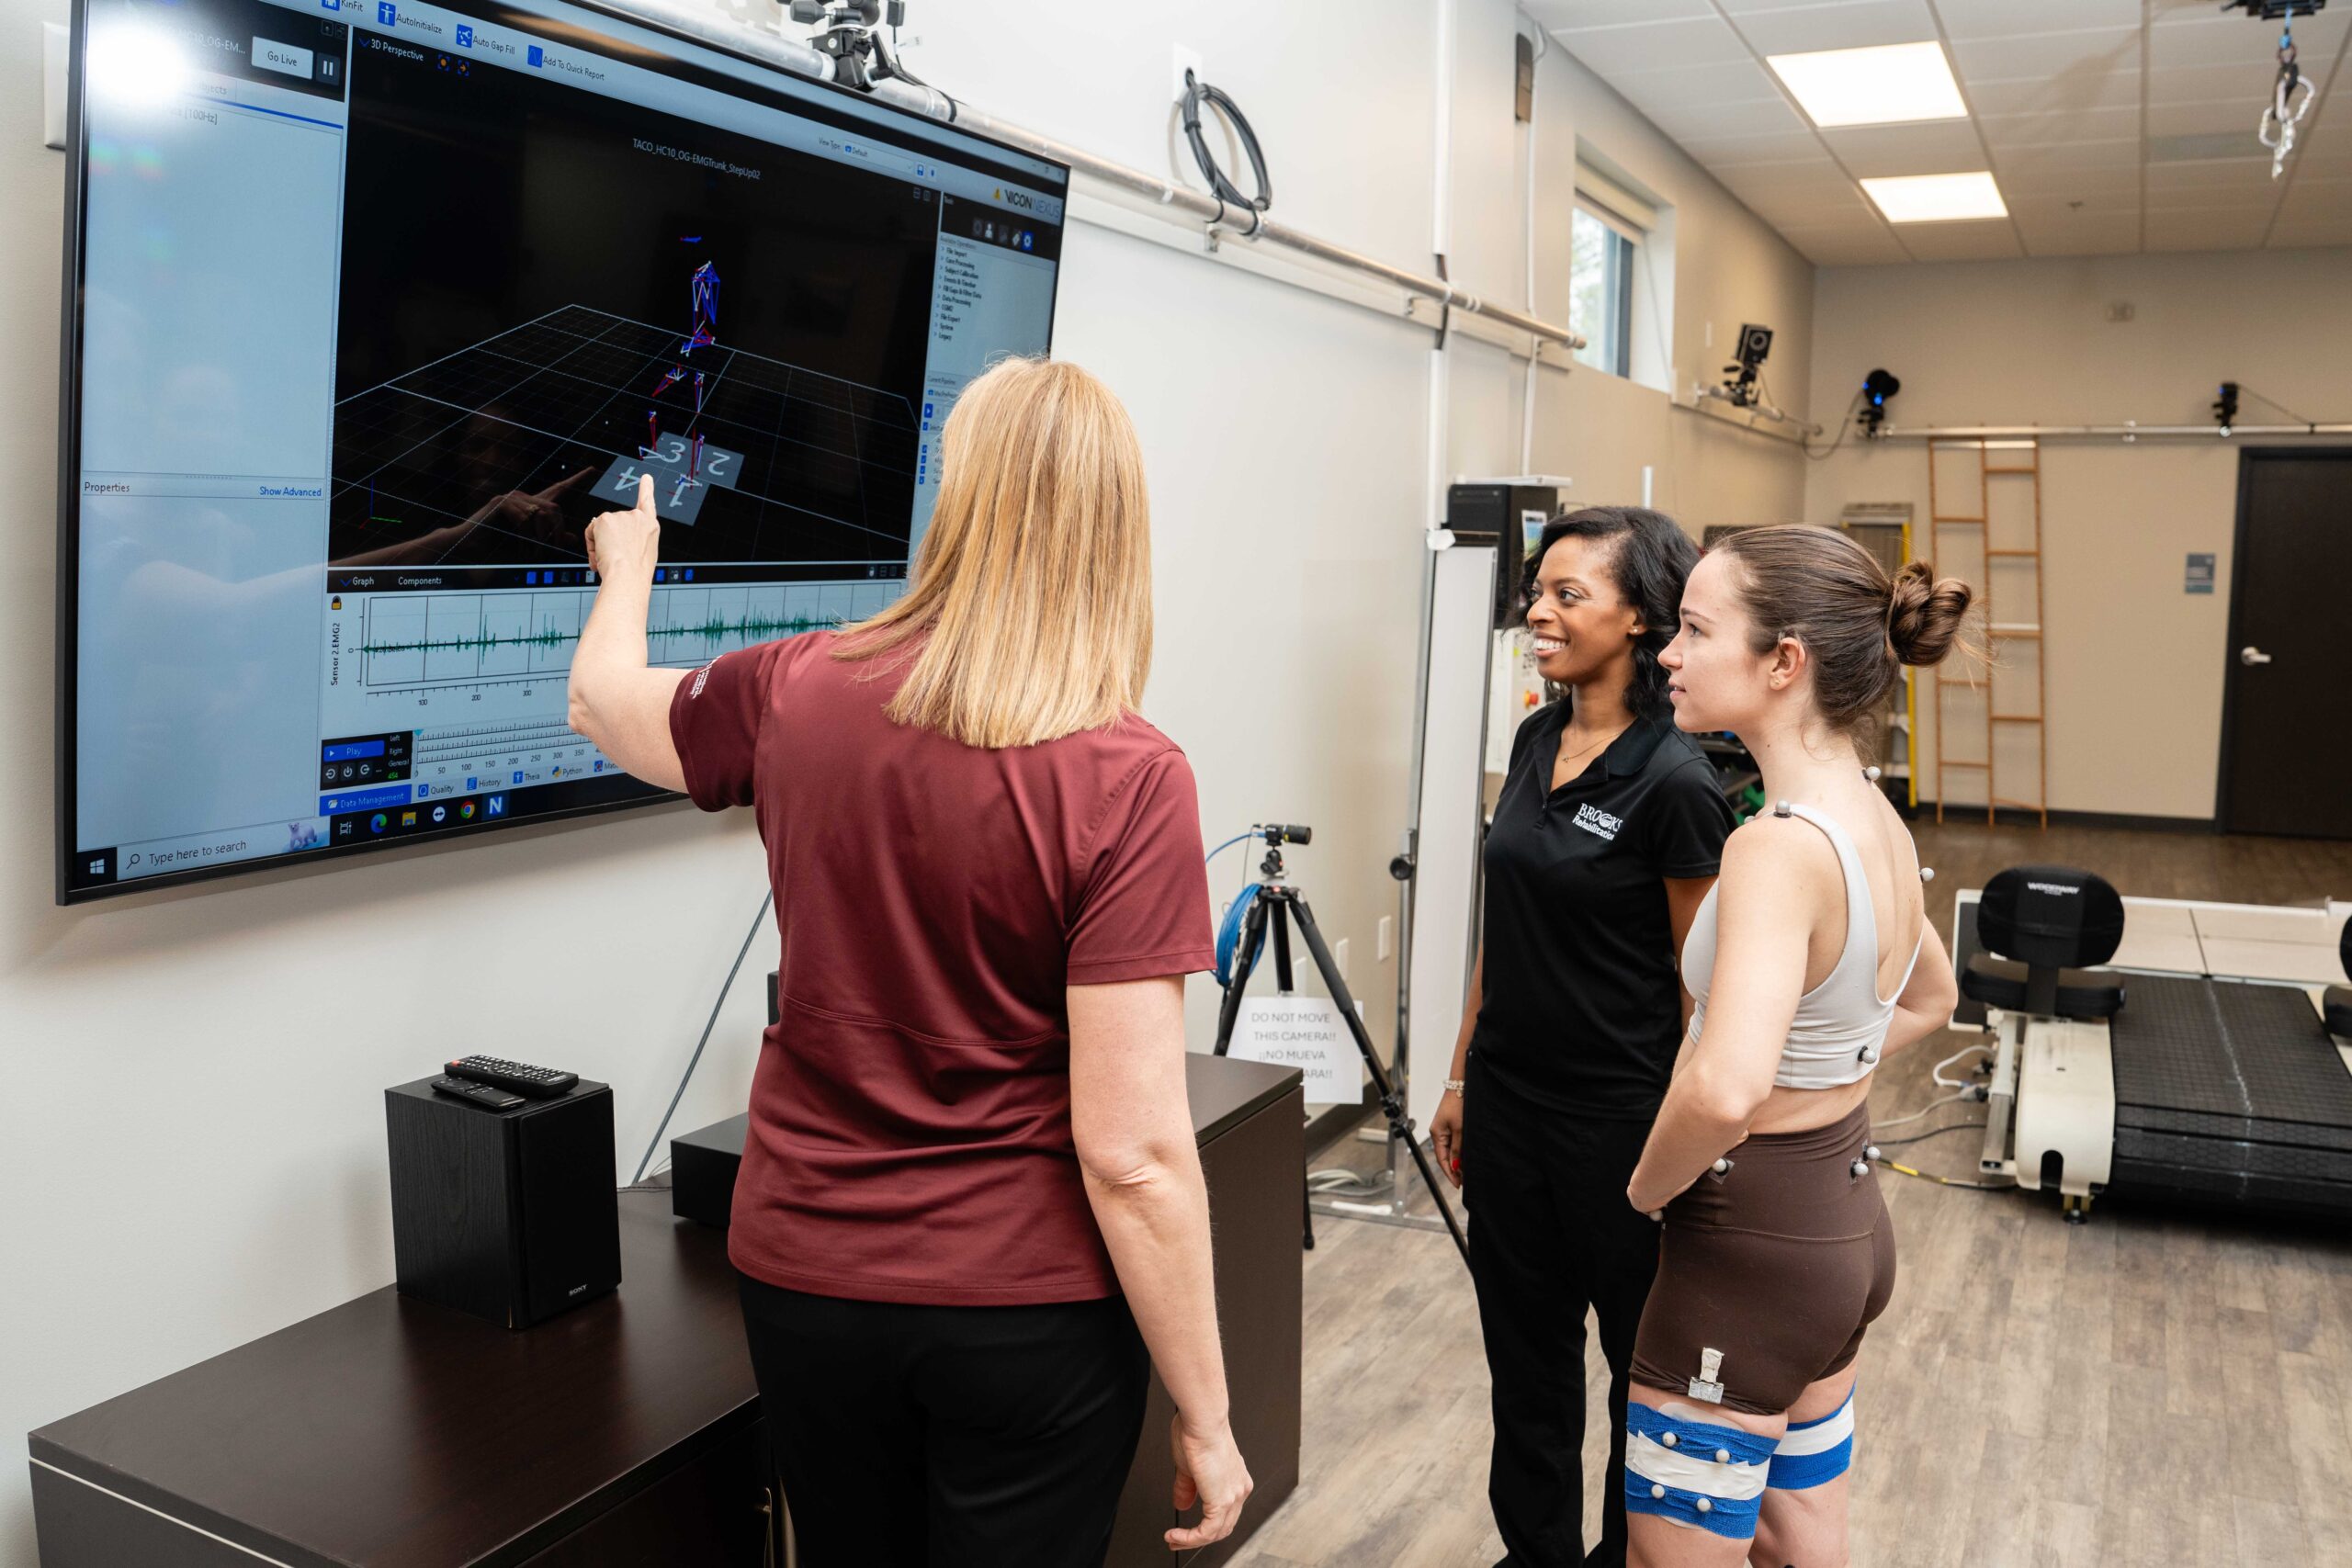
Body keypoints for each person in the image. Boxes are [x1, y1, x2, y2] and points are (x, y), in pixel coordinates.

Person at [565, 356, 1251, 1567]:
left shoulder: (796, 686)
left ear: (957, 497)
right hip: (1021, 1308)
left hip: (807, 1280)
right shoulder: (1130, 773)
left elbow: (605, 704)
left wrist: (630, 570)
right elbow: (1134, 1152)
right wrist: (1207, 1407)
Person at [1620, 525, 1966, 1568]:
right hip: (1842, 1227)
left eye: (1692, 630)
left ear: (1784, 661)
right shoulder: (1869, 816)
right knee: (1799, 1541)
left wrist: (1645, 1189)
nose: (1667, 655)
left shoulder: (1774, 846)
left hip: (1750, 1248)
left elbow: (1724, 1089)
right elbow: (1933, 997)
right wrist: (1825, 1074)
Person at [1428, 507, 1736, 1568]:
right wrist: (1462, 1072)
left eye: (1568, 595)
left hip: (1621, 1126)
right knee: (1526, 1363)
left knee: (1635, 1371)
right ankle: (1537, 1554)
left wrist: (1687, 1144)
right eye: (1536, 593)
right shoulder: (1531, 739)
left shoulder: (1678, 781)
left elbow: (1704, 993)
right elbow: (1499, 930)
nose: (1537, 613)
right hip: (1510, 1110)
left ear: (1642, 619)